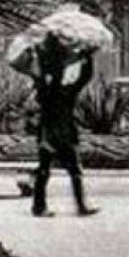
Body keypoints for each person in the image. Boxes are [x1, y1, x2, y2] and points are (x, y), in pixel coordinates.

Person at [30, 40, 99, 217]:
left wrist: (86, 58)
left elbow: (83, 78)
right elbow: (84, 78)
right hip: (59, 134)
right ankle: (79, 205)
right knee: (65, 171)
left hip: (53, 134)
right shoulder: (61, 92)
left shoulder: (47, 91)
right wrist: (87, 58)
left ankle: (40, 206)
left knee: (48, 171)